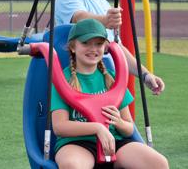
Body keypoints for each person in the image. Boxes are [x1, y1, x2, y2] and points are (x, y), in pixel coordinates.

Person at [51, 18, 169, 169]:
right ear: (73, 47)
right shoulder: (62, 80)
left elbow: (129, 128)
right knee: (72, 165)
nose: (93, 49)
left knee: (158, 163)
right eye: (86, 43)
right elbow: (60, 127)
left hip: (115, 142)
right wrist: (98, 128)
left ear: (106, 47)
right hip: (77, 143)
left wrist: (118, 122)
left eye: (98, 44)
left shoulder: (112, 79)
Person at [55, 0, 165, 94]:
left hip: (105, 81)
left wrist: (145, 75)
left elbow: (116, 47)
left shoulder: (103, 3)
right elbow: (79, 18)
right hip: (79, 82)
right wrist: (105, 20)